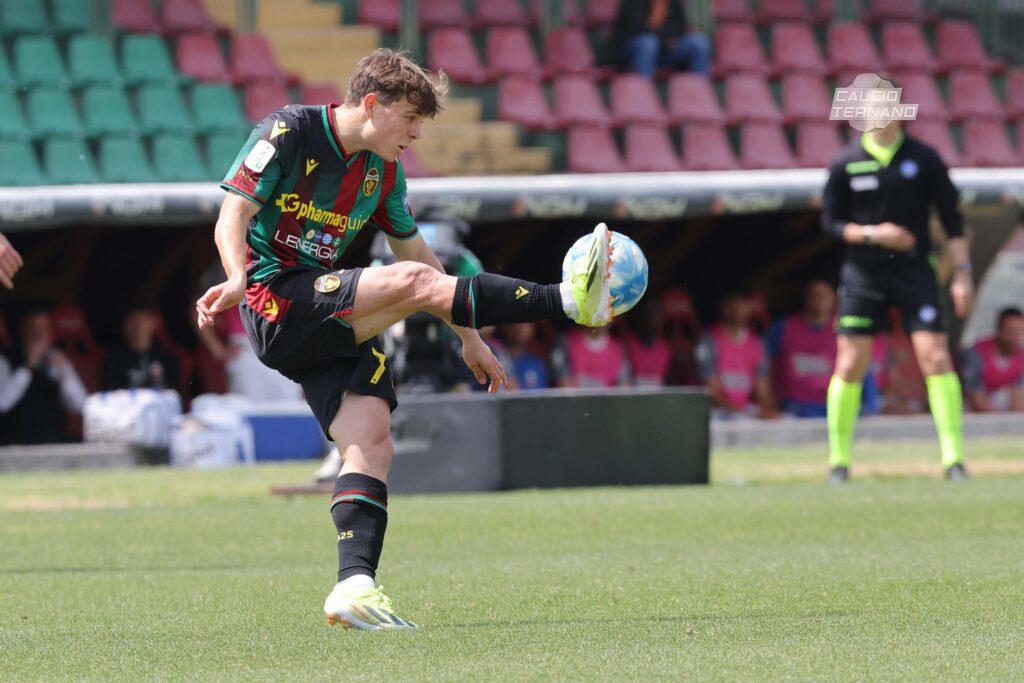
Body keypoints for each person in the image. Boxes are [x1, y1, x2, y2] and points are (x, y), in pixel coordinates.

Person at [195, 49, 617, 631]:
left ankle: (354, 588)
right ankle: (569, 299)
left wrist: (468, 338)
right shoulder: (288, 131)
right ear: (371, 104)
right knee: (416, 286)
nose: (416, 134)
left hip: (328, 313)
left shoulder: (382, 171)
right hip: (277, 296)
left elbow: (417, 251)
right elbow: (233, 214)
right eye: (410, 119)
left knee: (371, 442)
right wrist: (236, 275)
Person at [821, 106, 973, 483]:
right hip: (863, 272)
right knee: (850, 363)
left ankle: (953, 460)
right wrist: (874, 234)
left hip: (913, 270)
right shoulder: (846, 162)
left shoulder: (924, 159)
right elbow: (830, 222)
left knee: (935, 358)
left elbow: (953, 220)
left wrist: (962, 274)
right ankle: (838, 462)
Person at [0, 307, 87, 445]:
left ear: (51, 334)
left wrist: (64, 374)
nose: (38, 335)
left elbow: (79, 405)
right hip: (15, 443)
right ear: (22, 331)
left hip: (53, 440)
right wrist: (27, 368)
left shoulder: (57, 360)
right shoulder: (5, 360)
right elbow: (2, 403)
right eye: (33, 329)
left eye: (44, 330)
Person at [694, 292, 777, 419]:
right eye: (731, 303)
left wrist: (769, 413)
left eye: (741, 303)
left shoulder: (758, 345)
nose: (736, 308)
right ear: (721, 306)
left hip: (746, 413)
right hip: (715, 413)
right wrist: (747, 413)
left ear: (749, 307)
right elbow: (712, 394)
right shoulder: (707, 341)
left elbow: (762, 393)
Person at [765, 280, 837, 418]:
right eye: (815, 295)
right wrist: (769, 402)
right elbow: (765, 367)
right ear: (806, 299)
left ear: (834, 298)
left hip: (832, 407)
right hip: (790, 408)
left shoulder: (844, 330)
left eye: (824, 295)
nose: (819, 300)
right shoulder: (783, 327)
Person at [607, 0, 711, 78]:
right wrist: (664, 39)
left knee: (699, 42)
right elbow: (636, 27)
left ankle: (699, 89)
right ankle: (643, 92)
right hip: (632, 50)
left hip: (666, 48)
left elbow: (681, 26)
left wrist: (669, 38)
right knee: (648, 43)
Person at [102, 305, 180, 392]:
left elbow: (176, 394)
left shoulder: (166, 357)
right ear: (123, 327)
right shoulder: (114, 361)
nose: (138, 329)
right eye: (132, 322)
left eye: (143, 321)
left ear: (153, 324)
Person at [961, 307, 1024, 412]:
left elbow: (1018, 400)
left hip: (995, 406)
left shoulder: (1021, 358)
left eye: (1019, 331)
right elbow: (975, 399)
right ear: (999, 330)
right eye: (1010, 331)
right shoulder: (976, 354)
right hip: (966, 405)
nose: (1014, 337)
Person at [553, 325, 630, 388]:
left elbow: (624, 390)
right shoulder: (566, 341)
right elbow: (564, 387)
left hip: (607, 404)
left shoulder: (619, 349)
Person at [622, 301, 672, 386]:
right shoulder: (628, 346)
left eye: (658, 314)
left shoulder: (666, 349)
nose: (655, 319)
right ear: (643, 316)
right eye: (651, 314)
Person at [502, 322, 549, 390]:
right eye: (516, 323)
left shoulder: (537, 364)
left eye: (525, 324)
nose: (519, 327)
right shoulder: (496, 355)